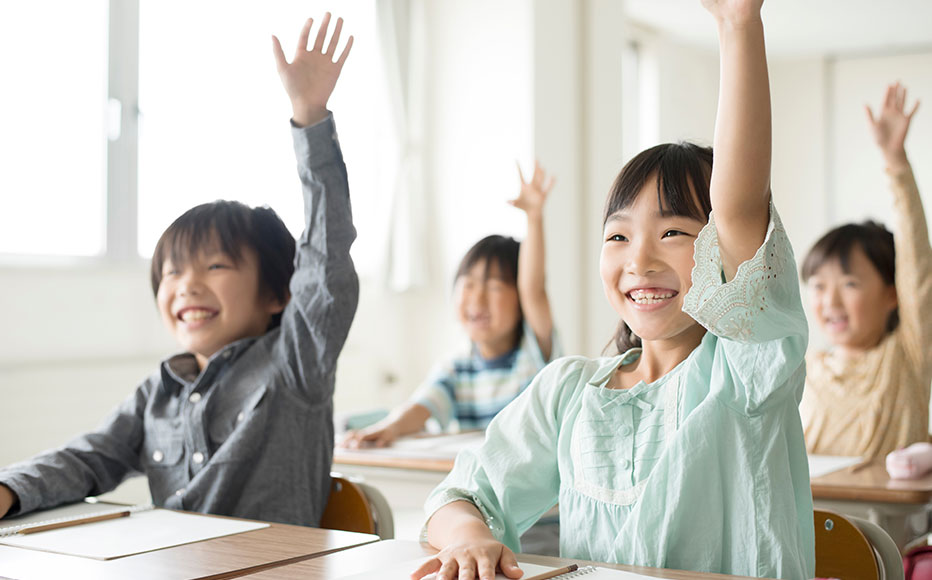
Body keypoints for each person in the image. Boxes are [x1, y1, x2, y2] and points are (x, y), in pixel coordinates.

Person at [412, 1, 815, 578]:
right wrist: (470, 538)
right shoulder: (568, 391)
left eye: (674, 231)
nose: (640, 260)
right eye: (618, 236)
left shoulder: (747, 374)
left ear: (718, 254)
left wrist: (738, 26)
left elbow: (740, 207)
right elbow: (465, 495)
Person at [0, 13, 358, 527]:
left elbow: (326, 259)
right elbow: (88, 458)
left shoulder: (296, 363)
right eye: (170, 272)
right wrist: (8, 489)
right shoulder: (159, 390)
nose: (187, 283)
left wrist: (310, 118)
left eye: (215, 265)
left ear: (279, 292)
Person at [341, 163, 558, 447]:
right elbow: (421, 405)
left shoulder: (534, 353)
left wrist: (534, 218)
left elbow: (534, 289)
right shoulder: (458, 367)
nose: (477, 299)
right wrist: (389, 428)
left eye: (494, 286)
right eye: (468, 285)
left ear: (520, 302)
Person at [800, 82, 930, 460]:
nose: (830, 300)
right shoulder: (805, 369)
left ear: (893, 294)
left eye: (850, 283)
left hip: (879, 521)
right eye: (819, 285)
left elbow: (917, 267)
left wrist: (896, 162)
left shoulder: (908, 356)